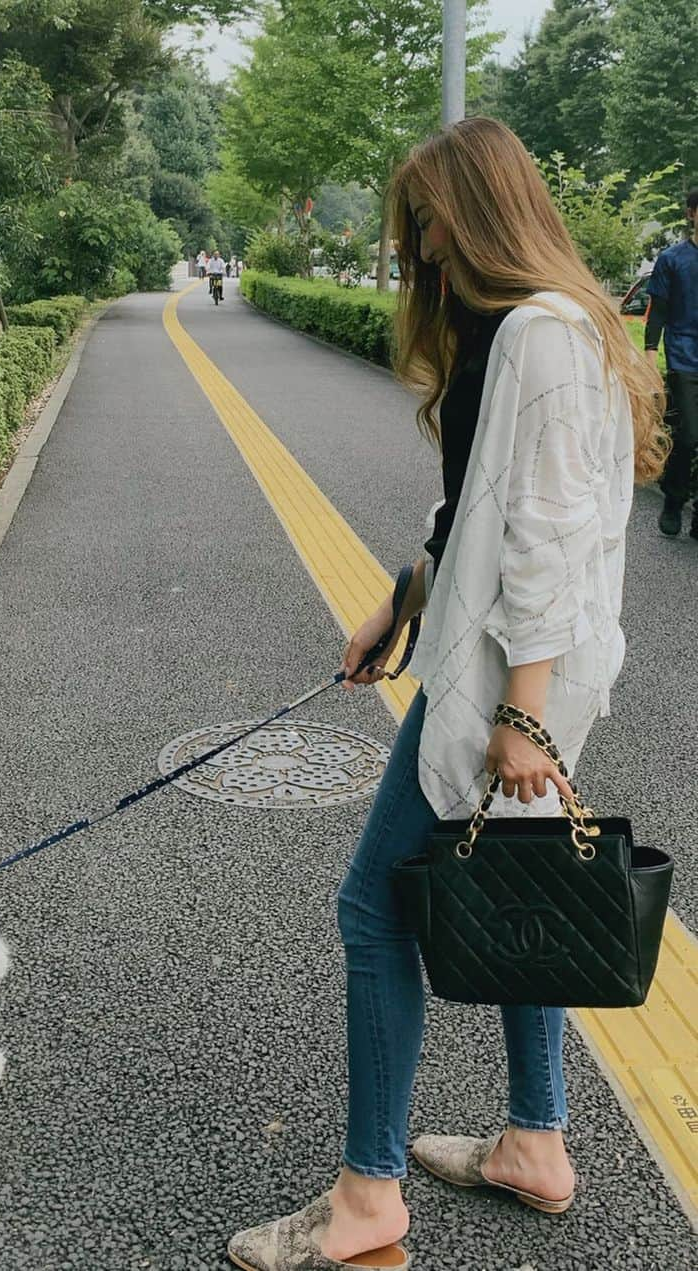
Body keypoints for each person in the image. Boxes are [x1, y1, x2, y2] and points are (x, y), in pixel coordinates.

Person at [226, 117, 667, 1271]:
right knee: (525, 879)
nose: (415, 243)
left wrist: (520, 716)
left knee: (374, 908)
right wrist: (400, 596)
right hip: (497, 660)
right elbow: (479, 508)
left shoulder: (547, 336)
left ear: (479, 209)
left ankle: (367, 1195)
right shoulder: (516, 333)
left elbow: (550, 543)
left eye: (425, 217)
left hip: (510, 677)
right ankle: (536, 1142)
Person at [645, 188, 698, 538]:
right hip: (684, 358)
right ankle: (674, 500)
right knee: (690, 437)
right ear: (692, 213)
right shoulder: (672, 259)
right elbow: (658, 314)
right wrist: (650, 355)